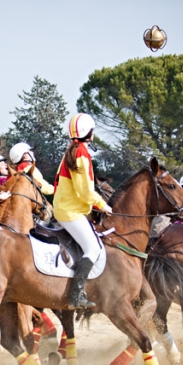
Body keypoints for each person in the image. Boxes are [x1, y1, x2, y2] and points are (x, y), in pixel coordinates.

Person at [52, 113, 112, 309]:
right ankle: (75, 296)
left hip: (65, 208)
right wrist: (102, 204)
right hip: (71, 212)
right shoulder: (81, 154)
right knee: (93, 249)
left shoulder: (71, 150)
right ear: (89, 132)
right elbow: (85, 192)